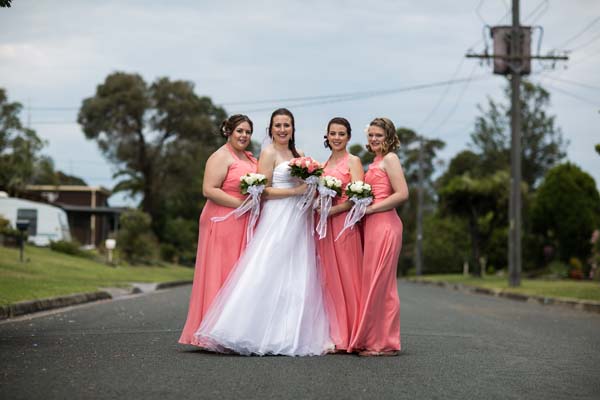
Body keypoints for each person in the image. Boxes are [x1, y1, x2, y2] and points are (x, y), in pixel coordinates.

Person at [194, 108, 333, 356]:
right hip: (276, 215)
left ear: (292, 128)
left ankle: (290, 333)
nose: (282, 130)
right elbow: (263, 190)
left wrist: (314, 195)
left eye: (287, 125)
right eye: (278, 125)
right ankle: (245, 329)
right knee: (266, 268)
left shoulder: (300, 155)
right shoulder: (267, 154)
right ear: (271, 129)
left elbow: (306, 187)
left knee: (298, 272)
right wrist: (293, 193)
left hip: (298, 219)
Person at [178, 115, 257, 346]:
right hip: (222, 219)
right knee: (221, 273)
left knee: (238, 276)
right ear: (228, 132)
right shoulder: (220, 156)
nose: (244, 136)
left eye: (247, 132)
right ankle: (211, 332)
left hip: (243, 220)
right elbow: (209, 189)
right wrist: (241, 205)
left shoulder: (250, 157)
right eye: (239, 131)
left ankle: (233, 330)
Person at [348, 117, 408, 356]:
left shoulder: (391, 159)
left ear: (389, 137)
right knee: (372, 283)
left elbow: (403, 193)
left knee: (382, 285)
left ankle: (385, 343)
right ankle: (372, 337)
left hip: (385, 225)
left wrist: (372, 208)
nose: (373, 139)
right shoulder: (375, 161)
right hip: (371, 227)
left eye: (378, 135)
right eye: (371, 135)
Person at [316, 117, 364, 352]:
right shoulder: (322, 166)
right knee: (329, 279)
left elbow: (358, 196)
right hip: (324, 226)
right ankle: (335, 334)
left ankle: (353, 334)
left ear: (348, 137)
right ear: (327, 136)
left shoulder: (353, 161)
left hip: (344, 224)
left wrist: (334, 210)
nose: (336, 137)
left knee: (348, 275)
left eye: (341, 133)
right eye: (332, 133)